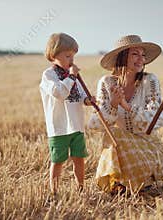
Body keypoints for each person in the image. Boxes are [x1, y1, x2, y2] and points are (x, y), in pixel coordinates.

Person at [88, 35, 163, 193]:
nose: (141, 59)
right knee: (112, 134)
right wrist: (112, 105)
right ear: (122, 57)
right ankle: (120, 183)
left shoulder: (149, 81)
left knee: (116, 135)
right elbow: (94, 124)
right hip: (121, 148)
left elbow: (157, 120)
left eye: (142, 55)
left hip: (149, 148)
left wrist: (127, 106)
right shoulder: (106, 83)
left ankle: (135, 181)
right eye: (135, 54)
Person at [39, 33, 94, 194]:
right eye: (68, 56)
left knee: (79, 159)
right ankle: (54, 191)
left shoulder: (73, 76)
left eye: (73, 56)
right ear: (54, 55)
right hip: (59, 127)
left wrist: (88, 100)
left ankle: (80, 188)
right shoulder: (49, 75)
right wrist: (71, 76)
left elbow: (81, 94)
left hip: (76, 125)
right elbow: (59, 93)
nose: (72, 60)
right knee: (58, 161)